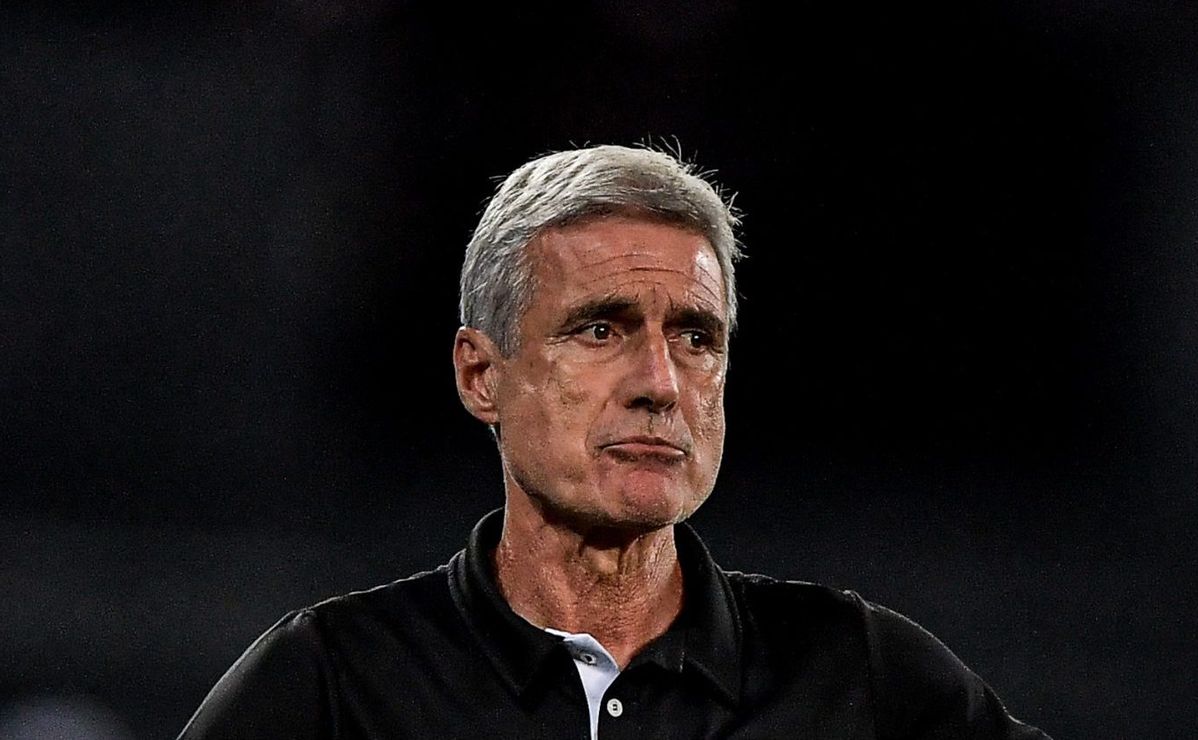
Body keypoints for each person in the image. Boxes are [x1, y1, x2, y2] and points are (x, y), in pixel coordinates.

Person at [179, 145, 1051, 739]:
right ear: (481, 375)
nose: (660, 383)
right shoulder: (336, 685)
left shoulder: (856, 678)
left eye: (696, 337)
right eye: (600, 330)